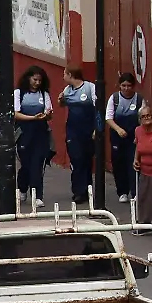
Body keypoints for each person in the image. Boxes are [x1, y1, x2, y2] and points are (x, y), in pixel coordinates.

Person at [12, 67, 55, 210]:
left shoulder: (44, 94)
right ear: (28, 78)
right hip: (24, 132)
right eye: (34, 79)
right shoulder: (19, 93)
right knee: (26, 164)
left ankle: (37, 196)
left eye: (39, 80)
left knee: (38, 164)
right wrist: (32, 118)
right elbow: (16, 114)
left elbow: (49, 112)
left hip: (40, 132)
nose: (36, 83)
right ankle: (22, 188)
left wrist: (47, 115)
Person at [59, 67, 100, 205]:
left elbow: (97, 108)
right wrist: (61, 100)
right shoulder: (67, 90)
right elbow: (62, 104)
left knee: (87, 160)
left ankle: (87, 189)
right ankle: (78, 191)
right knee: (76, 159)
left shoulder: (89, 88)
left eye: (64, 74)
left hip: (88, 129)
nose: (63, 76)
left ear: (70, 75)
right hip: (73, 129)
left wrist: (96, 129)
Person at [104, 72, 143, 203]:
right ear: (119, 86)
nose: (126, 88)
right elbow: (109, 118)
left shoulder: (139, 100)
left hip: (133, 137)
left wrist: (139, 134)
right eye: (123, 85)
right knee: (118, 164)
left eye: (129, 86)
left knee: (133, 163)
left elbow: (143, 118)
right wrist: (118, 129)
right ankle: (122, 192)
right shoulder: (114, 99)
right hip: (117, 137)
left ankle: (135, 192)